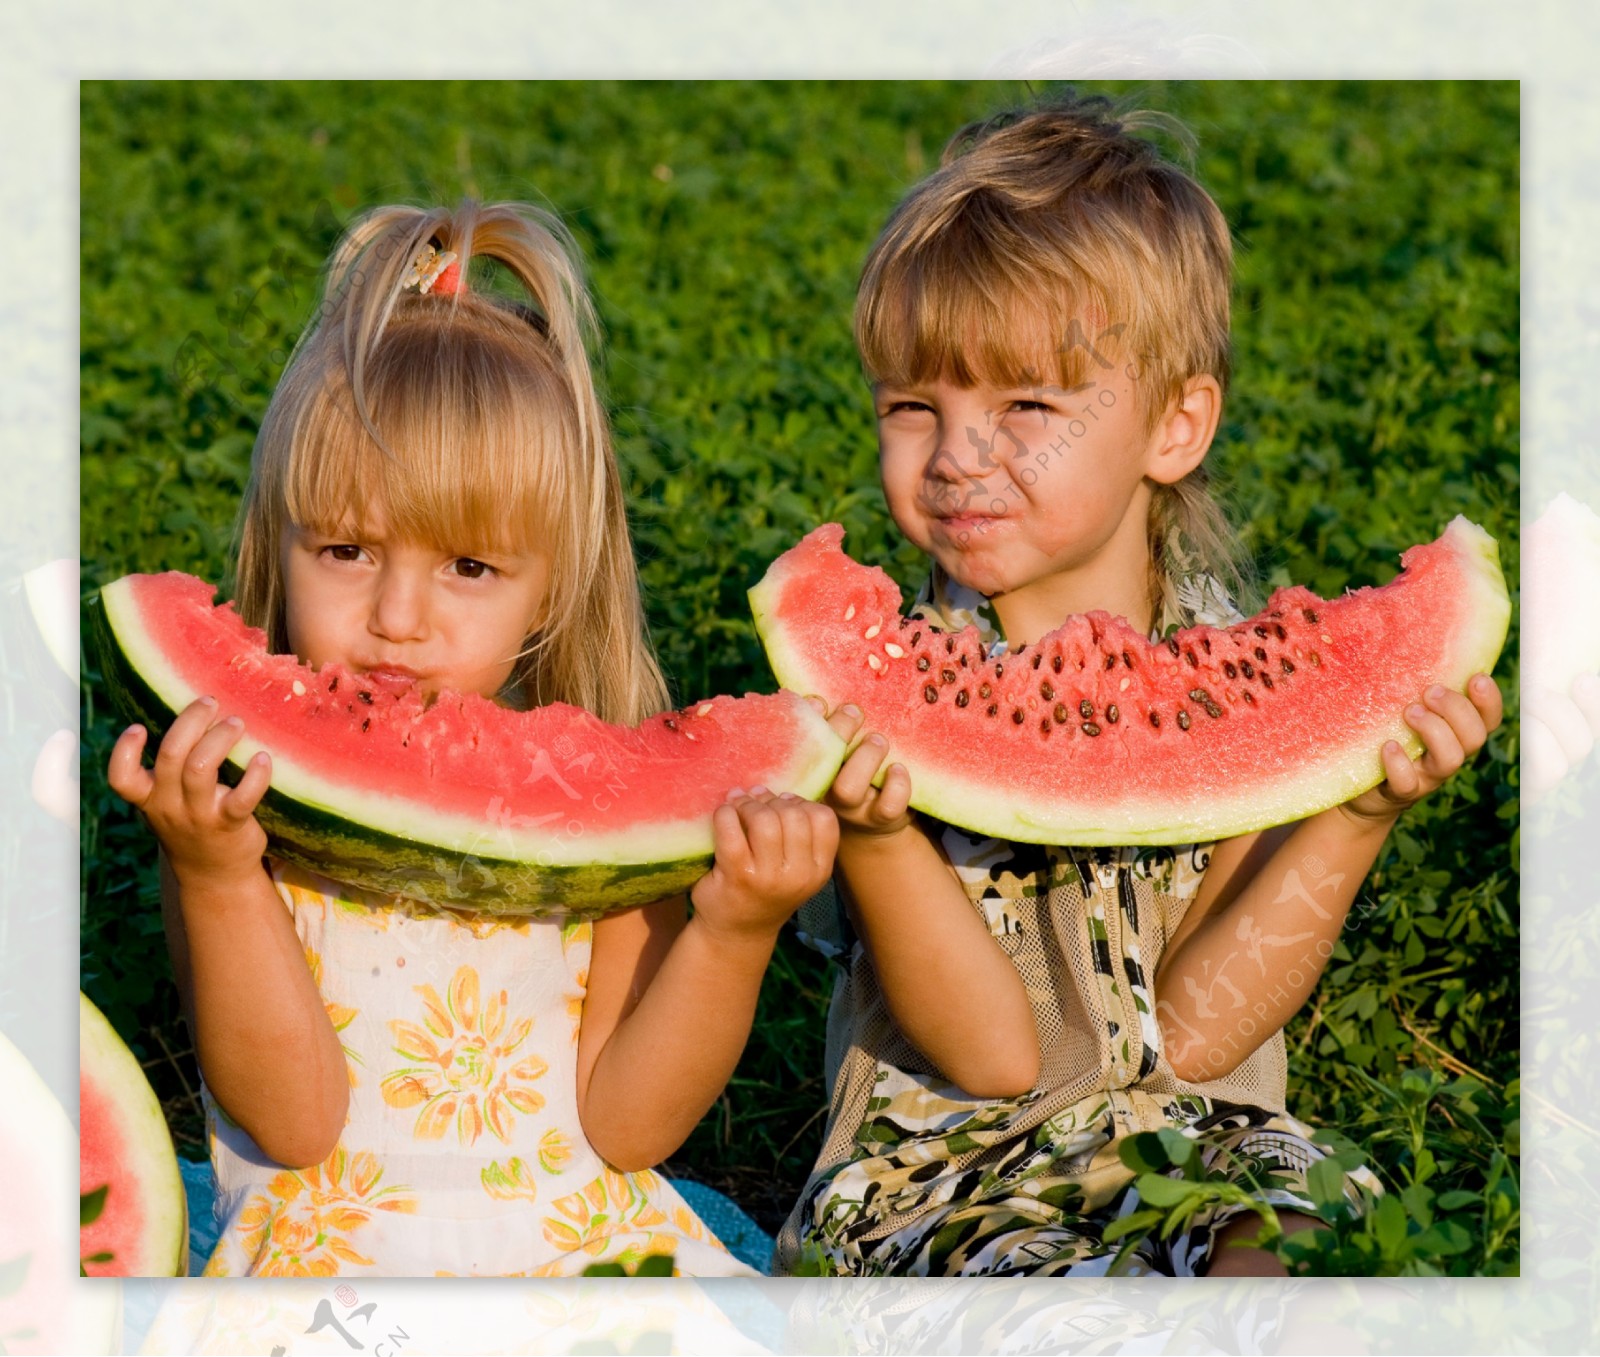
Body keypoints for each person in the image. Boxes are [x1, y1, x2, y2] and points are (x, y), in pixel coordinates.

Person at [774, 95, 1503, 1278]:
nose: (957, 453)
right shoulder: (878, 709)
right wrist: (877, 830)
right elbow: (994, 1056)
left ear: (1175, 424)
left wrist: (1358, 810)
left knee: (1286, 1265)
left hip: (1208, 1154)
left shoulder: (1238, 678)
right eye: (914, 406)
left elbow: (1205, 1030)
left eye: (1025, 406)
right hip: (952, 1181)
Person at [107, 200, 845, 1277]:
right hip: (337, 1279)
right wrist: (215, 875)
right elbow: (295, 1121)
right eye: (348, 549)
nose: (398, 617)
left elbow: (629, 1127)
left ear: (552, 589)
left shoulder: (597, 825)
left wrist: (734, 933)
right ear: (282, 542)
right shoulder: (236, 816)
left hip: (575, 1266)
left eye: (468, 568)